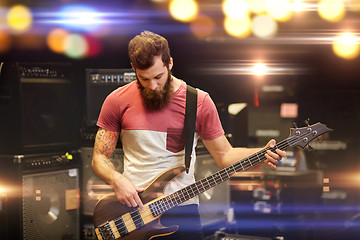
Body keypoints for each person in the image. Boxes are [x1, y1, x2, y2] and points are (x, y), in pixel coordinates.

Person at [92, 30, 286, 239]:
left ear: (170, 64)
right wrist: (116, 180)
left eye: (158, 76)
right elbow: (99, 157)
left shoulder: (198, 101)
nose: (153, 86)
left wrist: (262, 152)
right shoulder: (117, 100)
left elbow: (224, 157)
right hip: (133, 210)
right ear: (133, 69)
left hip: (182, 208)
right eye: (143, 79)